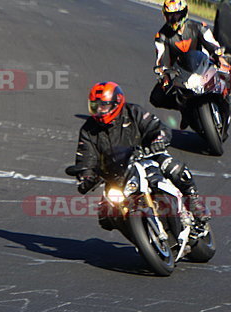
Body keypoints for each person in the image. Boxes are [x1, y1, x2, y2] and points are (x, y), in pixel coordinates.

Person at [74, 81, 210, 229]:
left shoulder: (133, 112)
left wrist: (159, 139)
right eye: (95, 106)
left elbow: (157, 127)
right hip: (115, 175)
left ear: (116, 103)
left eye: (103, 106)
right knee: (106, 217)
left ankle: (193, 200)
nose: (99, 110)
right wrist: (86, 177)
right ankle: (139, 234)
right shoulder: (88, 130)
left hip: (147, 158)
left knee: (173, 167)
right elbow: (85, 158)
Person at [149, 0, 231, 114]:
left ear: (184, 13)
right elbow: (161, 58)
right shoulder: (161, 36)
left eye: (177, 14)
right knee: (156, 98)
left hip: (202, 63)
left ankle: (227, 100)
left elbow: (211, 43)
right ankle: (184, 108)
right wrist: (164, 75)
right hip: (179, 72)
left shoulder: (198, 27)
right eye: (170, 15)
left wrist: (220, 57)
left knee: (230, 70)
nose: (173, 18)